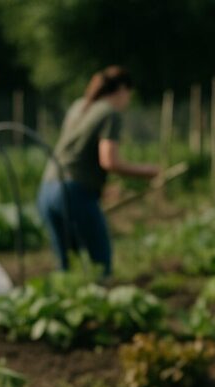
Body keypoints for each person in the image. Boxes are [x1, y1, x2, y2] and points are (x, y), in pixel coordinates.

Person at [38, 66, 160, 274]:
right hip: (74, 193)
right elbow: (109, 161)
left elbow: (77, 154)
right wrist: (146, 171)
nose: (128, 101)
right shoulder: (109, 113)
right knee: (101, 264)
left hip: (47, 189)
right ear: (122, 89)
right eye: (129, 95)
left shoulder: (79, 106)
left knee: (66, 268)